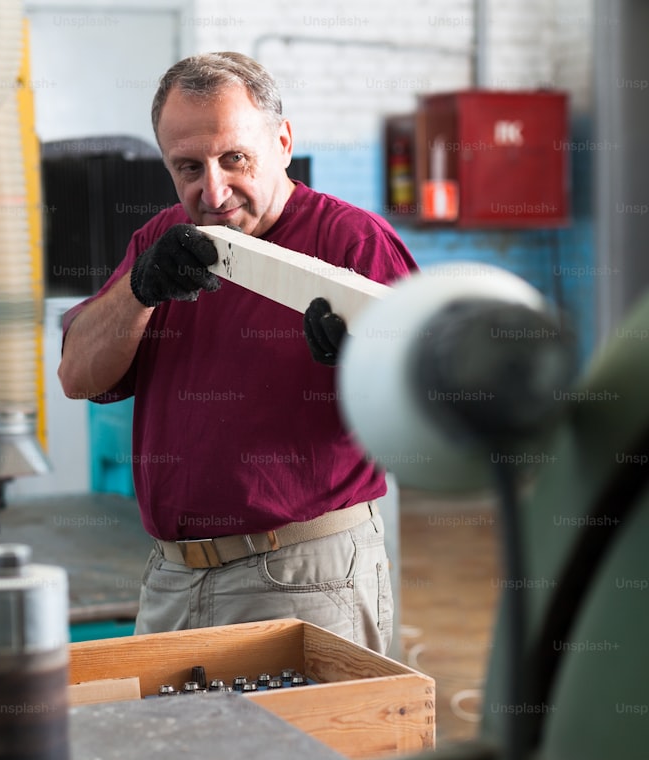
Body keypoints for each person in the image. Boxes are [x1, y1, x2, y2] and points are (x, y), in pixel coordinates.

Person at [57, 52, 418, 653]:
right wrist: (140, 289)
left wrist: (370, 372)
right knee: (176, 748)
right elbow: (77, 375)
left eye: (235, 159)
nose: (214, 189)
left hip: (304, 576)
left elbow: (429, 417)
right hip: (173, 578)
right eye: (188, 167)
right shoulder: (161, 240)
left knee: (309, 748)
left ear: (282, 142)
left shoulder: (352, 242)